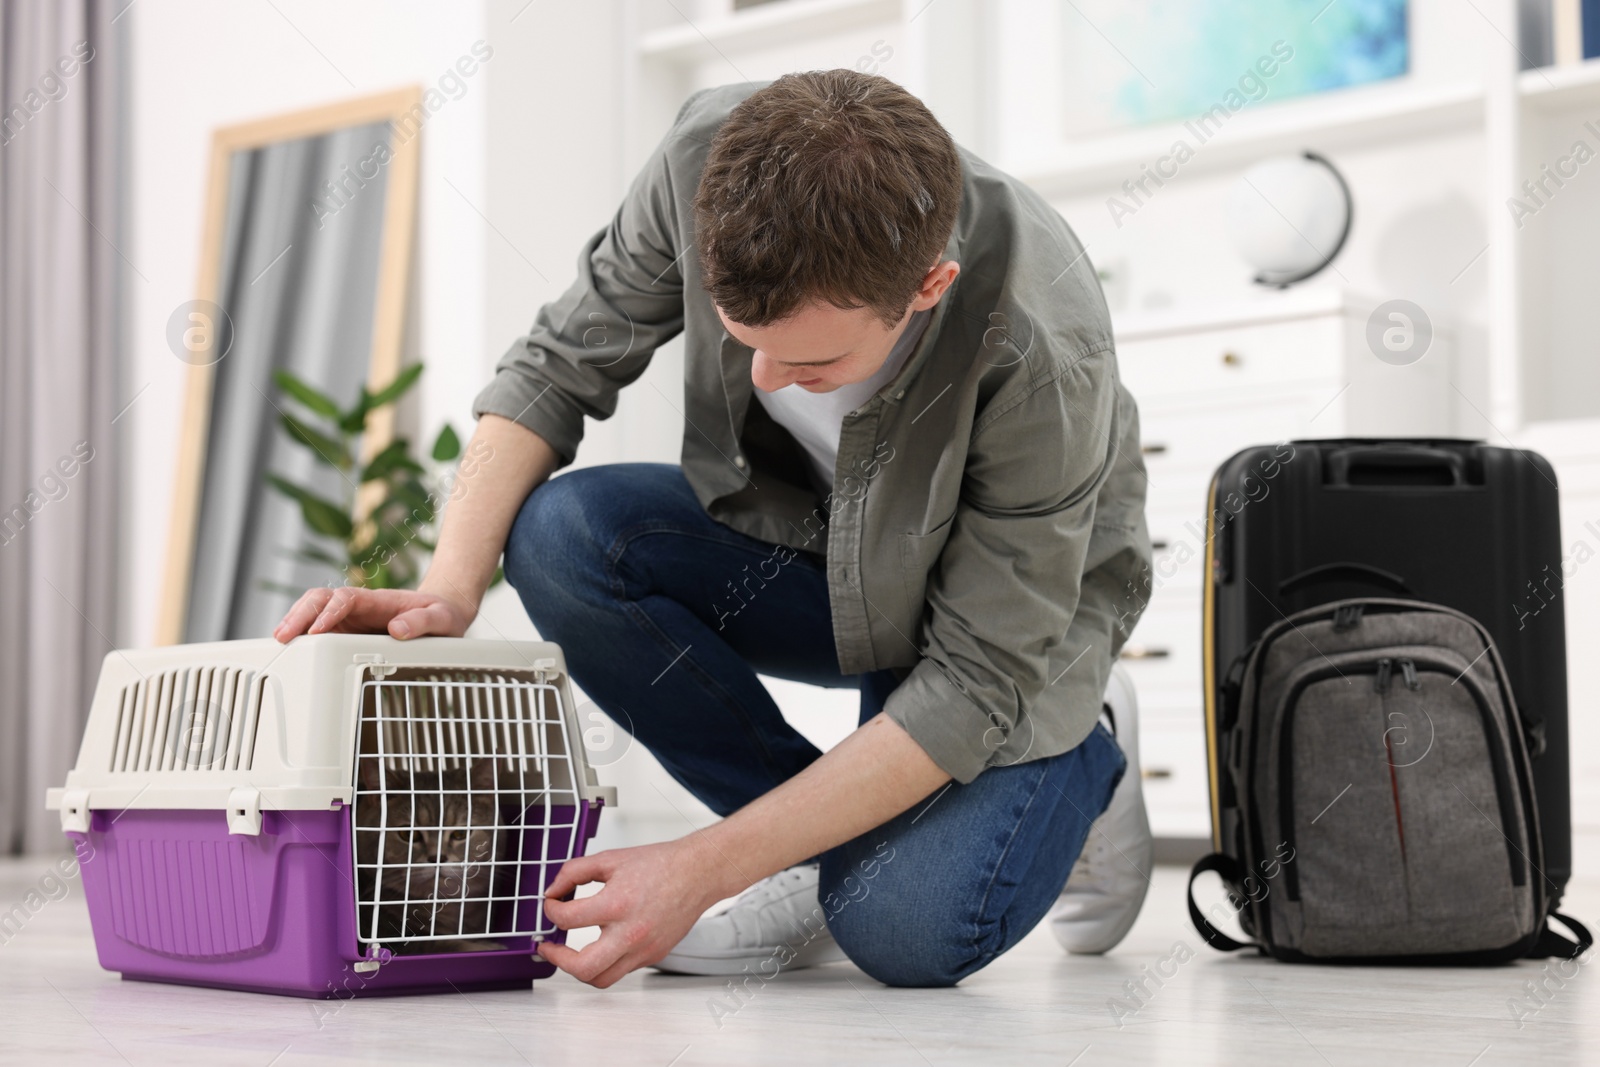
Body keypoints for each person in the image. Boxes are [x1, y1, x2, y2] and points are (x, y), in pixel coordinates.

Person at [275, 69, 1154, 989]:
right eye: (744, 338)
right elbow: (554, 368)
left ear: (929, 287)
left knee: (902, 931)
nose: (766, 379)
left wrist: (699, 865)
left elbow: (975, 681)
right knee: (565, 535)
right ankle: (811, 848)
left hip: (1014, 632)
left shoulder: (1044, 345)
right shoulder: (710, 163)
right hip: (828, 549)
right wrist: (448, 589)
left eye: (812, 358)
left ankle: (1087, 734)